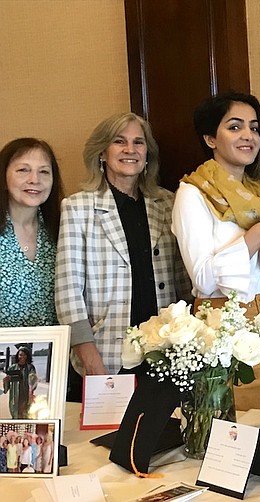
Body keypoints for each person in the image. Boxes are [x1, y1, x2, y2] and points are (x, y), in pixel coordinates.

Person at [172, 92, 260, 411]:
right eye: (235, 127)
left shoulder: (258, 193)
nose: (248, 136)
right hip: (221, 328)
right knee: (229, 434)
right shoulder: (193, 194)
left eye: (254, 128)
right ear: (210, 137)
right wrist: (255, 236)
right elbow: (202, 278)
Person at [55, 112, 192, 377]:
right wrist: (92, 363)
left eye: (138, 143)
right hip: (106, 355)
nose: (130, 150)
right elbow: (68, 293)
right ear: (102, 152)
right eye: (119, 142)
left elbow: (182, 279)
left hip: (165, 351)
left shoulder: (167, 203)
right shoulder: (77, 207)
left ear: (147, 154)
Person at [0, 138, 64, 327]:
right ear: (3, 178)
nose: (34, 180)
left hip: (57, 352)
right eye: (23, 170)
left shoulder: (63, 231)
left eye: (44, 171)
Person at [2, 347, 38, 418]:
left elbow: (33, 381)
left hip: (26, 394)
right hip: (15, 395)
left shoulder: (30, 367)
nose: (22, 357)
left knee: (26, 413)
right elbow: (7, 388)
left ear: (27, 356)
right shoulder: (11, 368)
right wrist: (5, 381)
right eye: (20, 355)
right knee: (15, 414)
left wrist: (31, 388)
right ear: (17, 356)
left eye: (24, 355)